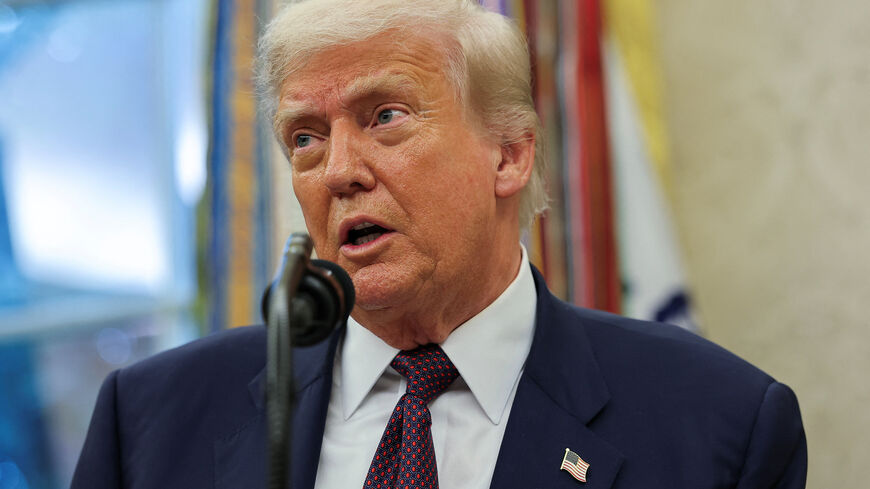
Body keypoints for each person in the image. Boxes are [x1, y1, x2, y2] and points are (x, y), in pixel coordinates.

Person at [71, 0, 807, 488]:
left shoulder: (719, 426)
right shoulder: (149, 421)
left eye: (385, 115)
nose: (339, 172)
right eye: (305, 136)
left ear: (510, 155)